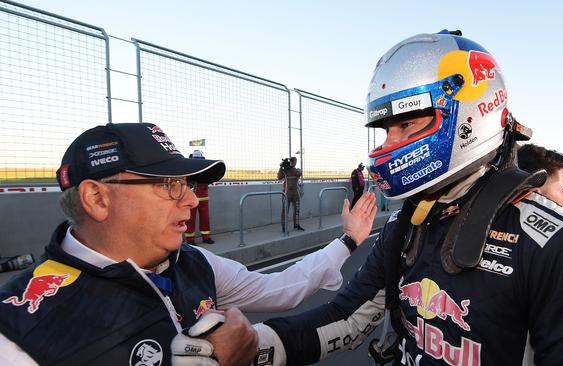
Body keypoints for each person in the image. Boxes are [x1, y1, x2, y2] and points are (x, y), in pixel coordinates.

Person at [252, 30, 563, 365]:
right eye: (385, 130)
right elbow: (347, 318)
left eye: (406, 124)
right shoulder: (408, 224)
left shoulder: (562, 242)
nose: (390, 144)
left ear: (468, 118)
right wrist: (254, 345)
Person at [0, 123, 378, 365]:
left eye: (187, 184)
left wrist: (348, 240)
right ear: (98, 199)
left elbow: (281, 289)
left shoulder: (192, 262)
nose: (192, 200)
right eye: (169, 185)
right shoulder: (18, 332)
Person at [184, 150, 215, 244]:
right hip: (191, 197)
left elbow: (210, 179)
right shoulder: (188, 167)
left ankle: (206, 237)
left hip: (204, 197)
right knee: (190, 219)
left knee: (205, 218)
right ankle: (190, 240)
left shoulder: (205, 167)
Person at [277, 156, 304, 231]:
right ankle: (284, 226)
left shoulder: (296, 170)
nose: (293, 162)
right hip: (287, 192)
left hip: (295, 192)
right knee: (285, 210)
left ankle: (296, 225)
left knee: (297, 209)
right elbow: (279, 177)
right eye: (291, 161)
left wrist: (290, 168)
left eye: (294, 161)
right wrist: (281, 168)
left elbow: (299, 173)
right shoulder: (285, 170)